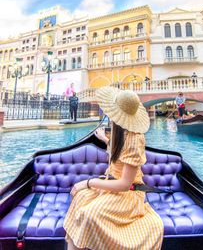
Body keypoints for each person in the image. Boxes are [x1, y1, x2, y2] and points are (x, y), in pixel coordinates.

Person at [64, 87, 164, 250]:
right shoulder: (118, 131)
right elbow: (119, 156)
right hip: (110, 186)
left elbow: (124, 184)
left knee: (89, 213)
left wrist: (89, 182)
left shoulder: (134, 138)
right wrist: (106, 140)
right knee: (79, 199)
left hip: (127, 194)